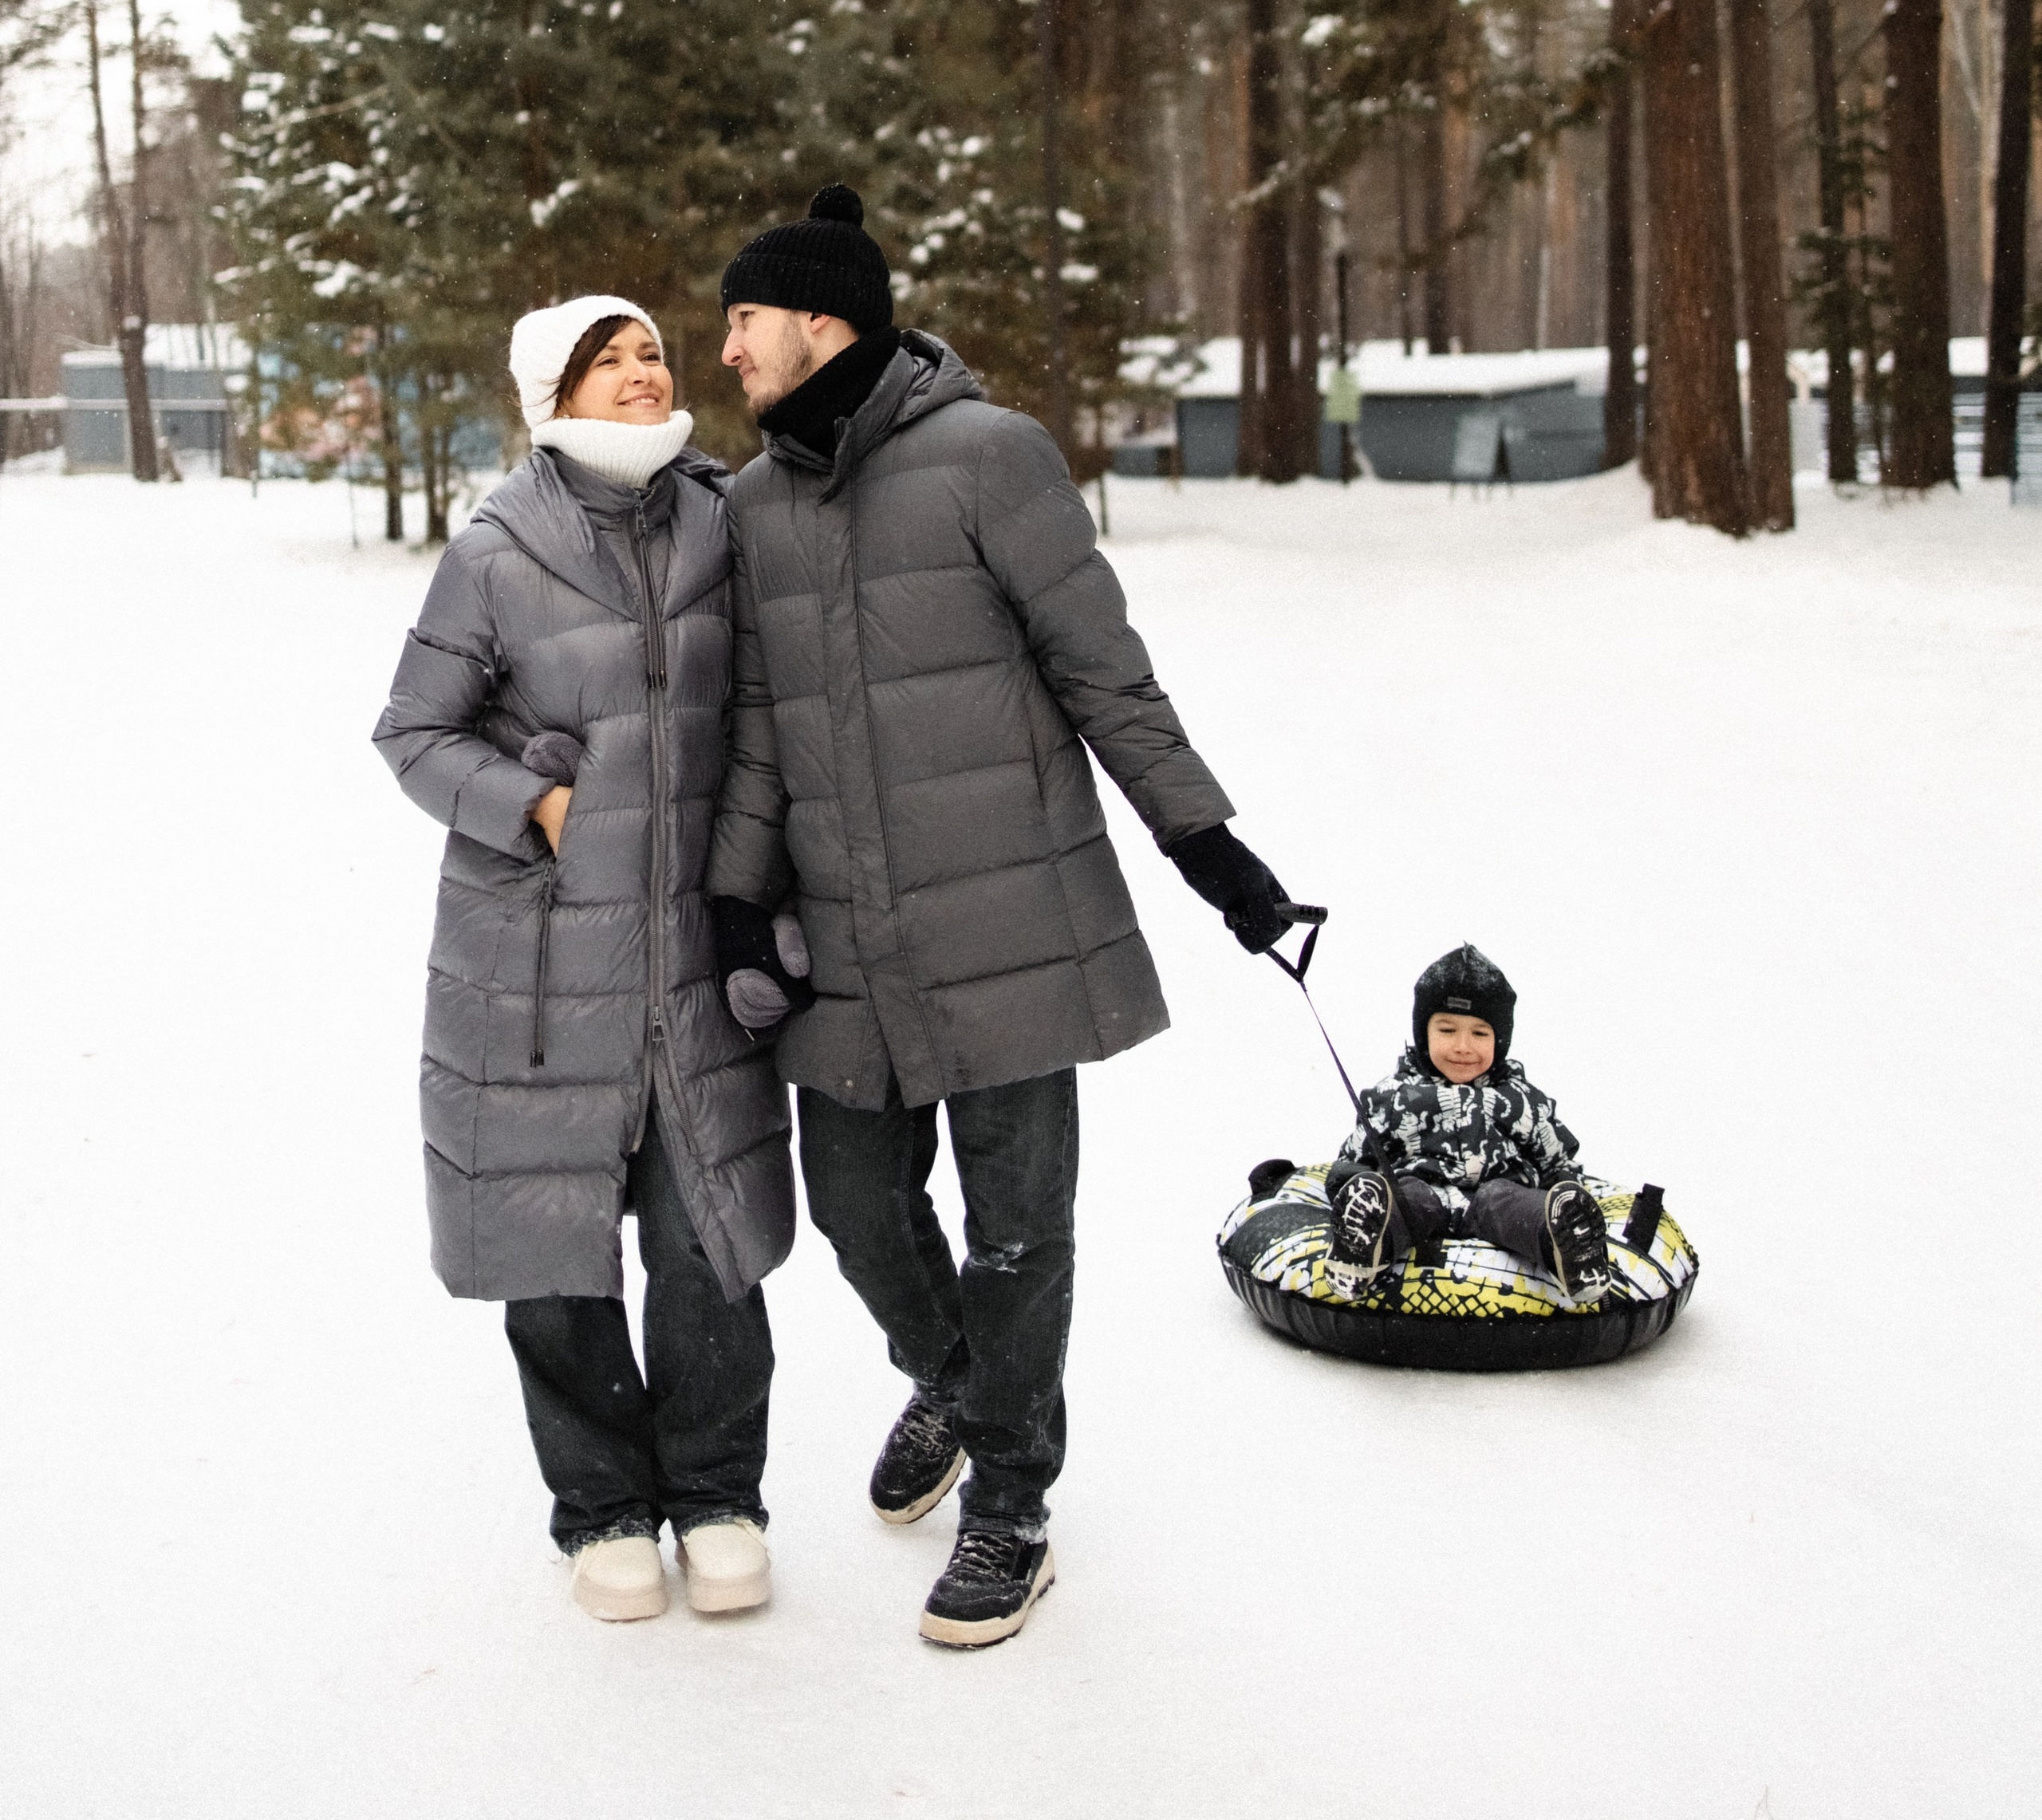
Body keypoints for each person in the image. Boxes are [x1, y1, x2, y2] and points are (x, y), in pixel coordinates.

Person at [706, 183, 1306, 1650]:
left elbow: (1108, 675)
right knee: (854, 1204)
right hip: (845, 933)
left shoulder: (993, 459)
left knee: (1020, 1231)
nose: (724, 351)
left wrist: (1212, 850)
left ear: (820, 320)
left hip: (1007, 918)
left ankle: (1013, 1507)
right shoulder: (753, 504)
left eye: (742, 321)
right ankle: (959, 1384)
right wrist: (735, 899)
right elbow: (766, 735)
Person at [372, 295, 794, 1626]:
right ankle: (604, 1507)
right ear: (553, 391)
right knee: (553, 1242)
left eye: (650, 353)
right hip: (541, 963)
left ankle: (719, 1491)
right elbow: (415, 735)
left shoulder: (725, 523)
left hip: (689, 952)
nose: (640, 371)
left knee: (706, 1235)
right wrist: (536, 807)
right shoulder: (499, 547)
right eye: (607, 360)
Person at [1323, 942, 1613, 1298]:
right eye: (1447, 1031)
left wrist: (1566, 1185)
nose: (1463, 1046)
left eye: (1480, 1033)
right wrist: (1351, 1181)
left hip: (1498, 1193)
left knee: (1509, 1205)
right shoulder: (1394, 1096)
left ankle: (1566, 1243)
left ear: (1500, 1040)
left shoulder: (1521, 1100)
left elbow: (1555, 1157)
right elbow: (1355, 1156)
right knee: (1404, 1201)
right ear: (1423, 1034)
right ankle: (1362, 1246)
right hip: (1420, 1191)